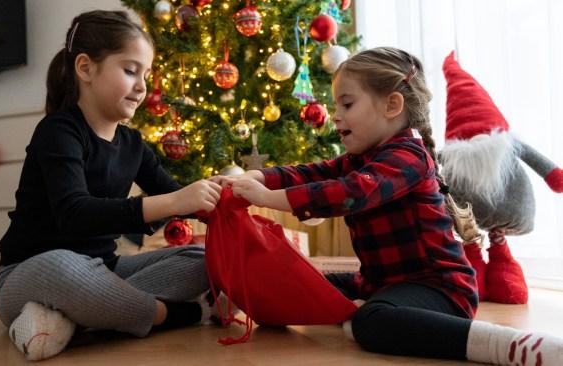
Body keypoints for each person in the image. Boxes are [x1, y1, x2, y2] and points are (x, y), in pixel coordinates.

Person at [212, 47, 563, 365]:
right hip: (380, 281)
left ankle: (504, 345)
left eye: (346, 105)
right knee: (308, 280)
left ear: (392, 105)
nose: (335, 116)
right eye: (336, 106)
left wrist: (270, 199)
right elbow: (311, 172)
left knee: (371, 323)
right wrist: (261, 178)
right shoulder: (358, 157)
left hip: (440, 289)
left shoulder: (409, 157)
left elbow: (353, 192)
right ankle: (231, 301)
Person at [0, 10, 222, 361]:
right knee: (64, 266)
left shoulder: (132, 143)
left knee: (201, 259)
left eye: (146, 74)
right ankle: (171, 315)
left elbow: (177, 194)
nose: (143, 86)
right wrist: (174, 201)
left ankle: (78, 316)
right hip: (29, 275)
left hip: (102, 272)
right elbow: (75, 214)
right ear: (85, 69)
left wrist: (223, 196)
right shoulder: (59, 131)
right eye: (130, 70)